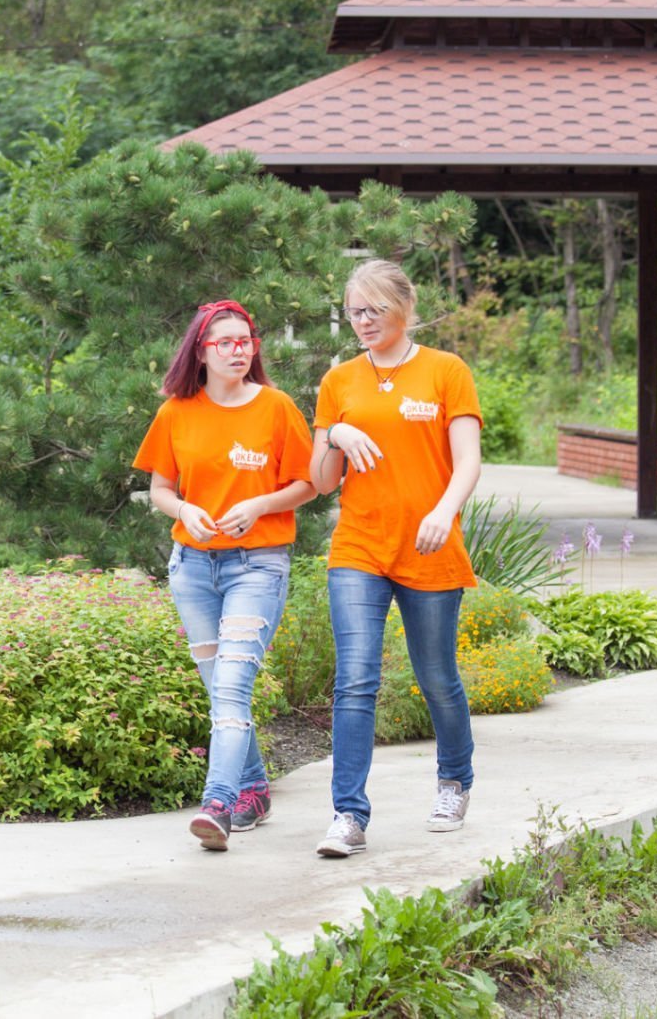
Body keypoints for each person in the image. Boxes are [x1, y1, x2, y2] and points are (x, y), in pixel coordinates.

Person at [309, 258, 483, 858]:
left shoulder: (446, 371)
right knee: (355, 679)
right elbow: (321, 480)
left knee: (436, 677)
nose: (363, 321)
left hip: (428, 544)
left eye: (375, 309)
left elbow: (467, 460)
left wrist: (444, 511)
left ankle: (454, 781)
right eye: (353, 311)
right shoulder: (340, 381)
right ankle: (348, 815)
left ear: (404, 308)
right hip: (359, 545)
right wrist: (334, 434)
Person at [133, 300, 316, 851]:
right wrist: (183, 510)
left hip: (257, 567)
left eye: (247, 341)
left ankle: (218, 804)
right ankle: (254, 789)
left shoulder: (277, 407)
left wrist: (260, 505)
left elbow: (309, 484)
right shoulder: (176, 412)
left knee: (233, 685)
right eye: (226, 343)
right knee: (220, 689)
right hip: (191, 569)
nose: (240, 351)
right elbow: (160, 489)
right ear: (201, 352)